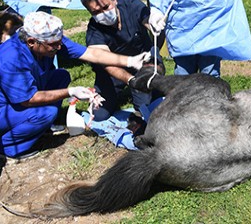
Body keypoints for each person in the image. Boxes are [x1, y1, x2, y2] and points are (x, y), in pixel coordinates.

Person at [0, 11, 151, 159]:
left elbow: (91, 54)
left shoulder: (49, 39)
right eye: (53, 45)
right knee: (46, 113)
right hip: (5, 108)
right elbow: (28, 99)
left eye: (60, 42)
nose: (59, 47)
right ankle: (9, 146)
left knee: (61, 76)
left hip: (23, 96)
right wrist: (70, 92)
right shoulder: (12, 58)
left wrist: (129, 61)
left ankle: (39, 127)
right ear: (32, 42)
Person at [80, 0, 163, 121]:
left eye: (106, 7)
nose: (103, 13)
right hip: (113, 72)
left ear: (114, 0)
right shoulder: (94, 30)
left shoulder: (132, 5)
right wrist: (131, 80)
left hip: (144, 63)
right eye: (96, 12)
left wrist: (154, 49)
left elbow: (154, 28)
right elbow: (105, 63)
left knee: (151, 108)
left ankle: (149, 88)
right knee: (99, 115)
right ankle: (126, 88)